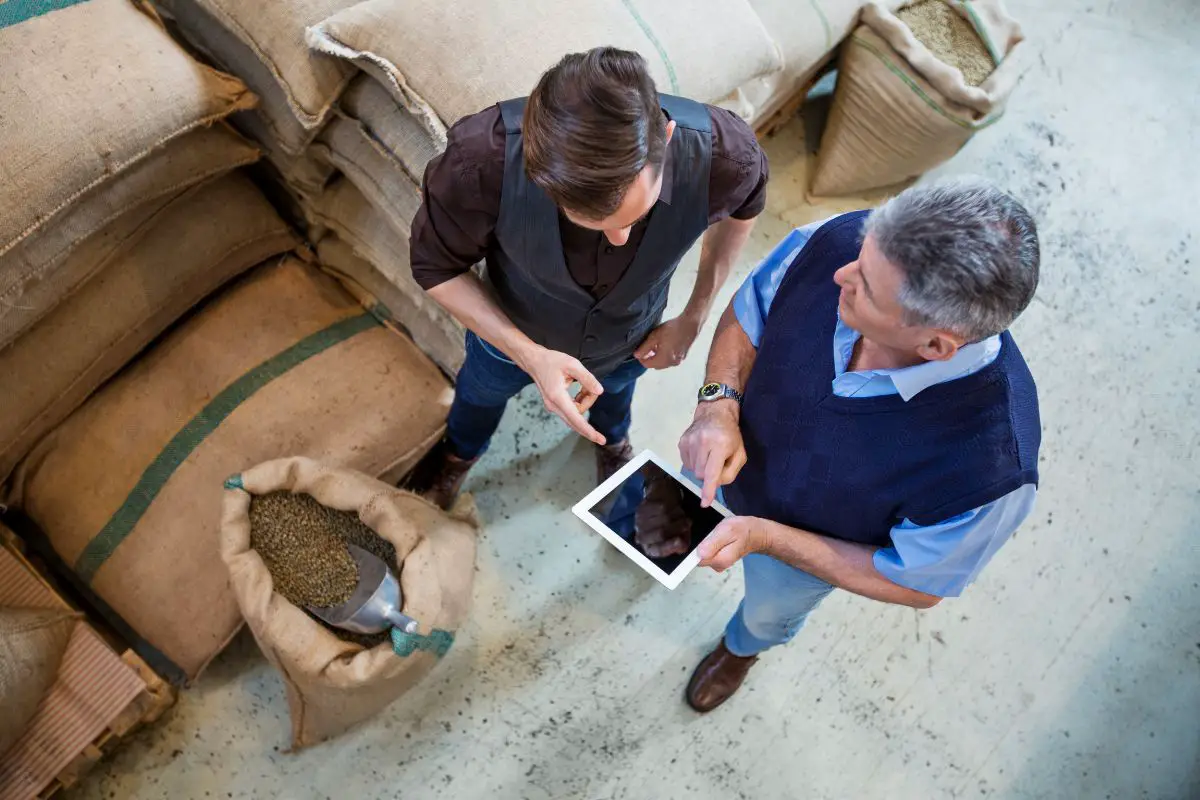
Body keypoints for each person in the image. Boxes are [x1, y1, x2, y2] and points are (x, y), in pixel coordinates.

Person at [674, 178, 1042, 712]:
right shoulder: (843, 242)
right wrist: (716, 404)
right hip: (722, 459)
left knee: (766, 612)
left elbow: (917, 583)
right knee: (675, 529)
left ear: (936, 345)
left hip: (800, 555)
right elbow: (751, 307)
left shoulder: (990, 467)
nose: (839, 274)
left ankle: (741, 649)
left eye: (864, 287)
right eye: (860, 253)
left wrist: (764, 538)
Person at [404, 47, 768, 508]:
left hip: (633, 335)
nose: (620, 240)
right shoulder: (482, 160)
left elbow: (744, 210)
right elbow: (435, 267)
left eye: (636, 217)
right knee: (478, 396)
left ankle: (612, 442)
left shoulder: (725, 154)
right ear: (537, 174)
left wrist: (694, 315)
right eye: (593, 223)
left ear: (669, 138)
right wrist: (529, 355)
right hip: (507, 334)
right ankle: (458, 454)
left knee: (617, 394)